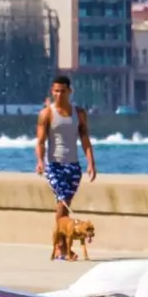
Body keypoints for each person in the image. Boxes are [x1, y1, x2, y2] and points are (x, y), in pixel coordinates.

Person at [34, 76, 96, 239]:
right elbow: (40, 142)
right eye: (56, 91)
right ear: (52, 91)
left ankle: (62, 243)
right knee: (62, 203)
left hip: (73, 166)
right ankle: (60, 245)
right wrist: (40, 161)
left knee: (66, 203)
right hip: (54, 165)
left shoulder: (79, 113)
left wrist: (91, 163)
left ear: (70, 91)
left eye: (62, 91)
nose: (59, 95)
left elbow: (85, 139)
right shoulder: (46, 114)